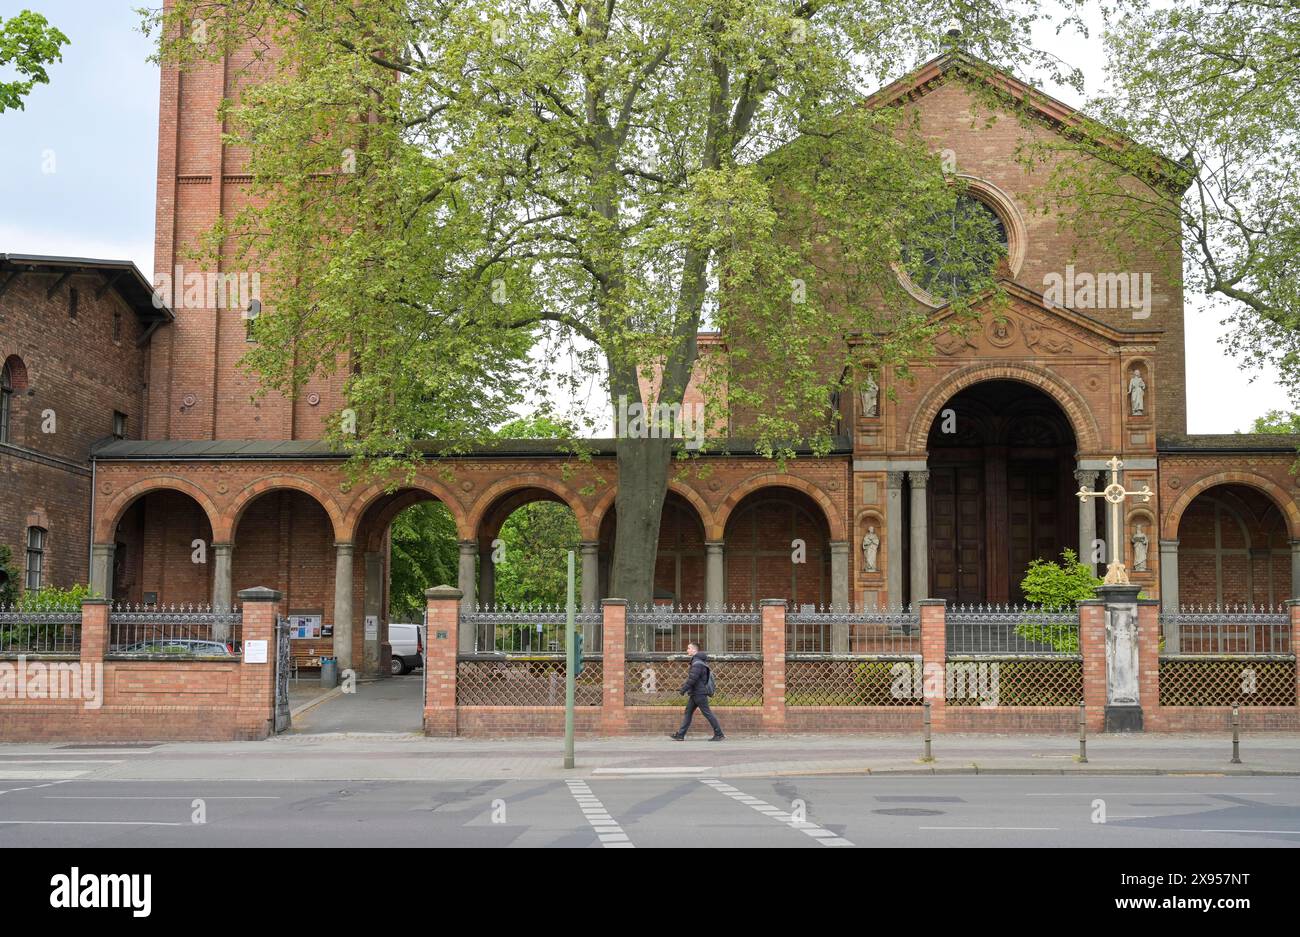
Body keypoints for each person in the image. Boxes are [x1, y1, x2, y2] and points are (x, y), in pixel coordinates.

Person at [671, 642, 724, 741]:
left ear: (694, 650)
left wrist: (683, 689)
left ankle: (719, 734)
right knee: (688, 712)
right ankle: (681, 735)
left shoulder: (697, 663)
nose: (687, 650)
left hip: (699, 693)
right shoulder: (698, 661)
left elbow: (692, 679)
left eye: (689, 648)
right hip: (696, 693)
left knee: (707, 713)